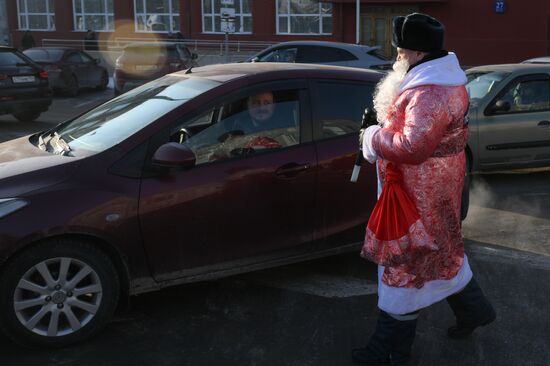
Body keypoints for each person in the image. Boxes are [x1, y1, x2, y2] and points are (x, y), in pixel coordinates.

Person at [354, 13, 495, 365]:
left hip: (416, 197)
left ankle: (388, 350)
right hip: (438, 188)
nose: (397, 57)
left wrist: (372, 135)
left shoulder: (428, 92)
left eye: (400, 51)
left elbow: (412, 147)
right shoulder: (444, 81)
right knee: (443, 256)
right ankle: (475, 311)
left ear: (416, 53)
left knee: (403, 265)